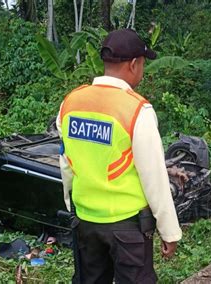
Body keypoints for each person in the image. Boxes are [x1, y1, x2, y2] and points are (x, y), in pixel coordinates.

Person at [56, 29, 182, 283]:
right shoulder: (136, 109)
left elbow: (66, 162)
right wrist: (169, 231)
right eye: (143, 64)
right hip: (127, 228)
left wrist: (72, 205)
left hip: (85, 222)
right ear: (134, 64)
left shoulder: (71, 102)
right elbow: (154, 178)